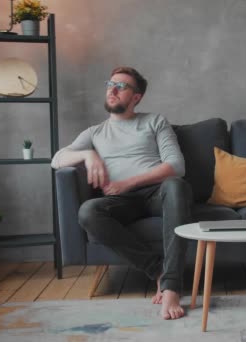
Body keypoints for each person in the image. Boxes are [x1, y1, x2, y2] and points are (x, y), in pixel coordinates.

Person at [51, 67, 192, 319]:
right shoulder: (94, 132)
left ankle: (172, 286)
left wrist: (127, 183)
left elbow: (176, 167)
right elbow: (57, 159)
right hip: (120, 202)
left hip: (157, 193)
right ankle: (158, 270)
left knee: (176, 185)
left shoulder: (154, 121)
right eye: (110, 84)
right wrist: (87, 153)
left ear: (136, 97)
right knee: (88, 211)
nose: (112, 90)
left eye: (121, 86)